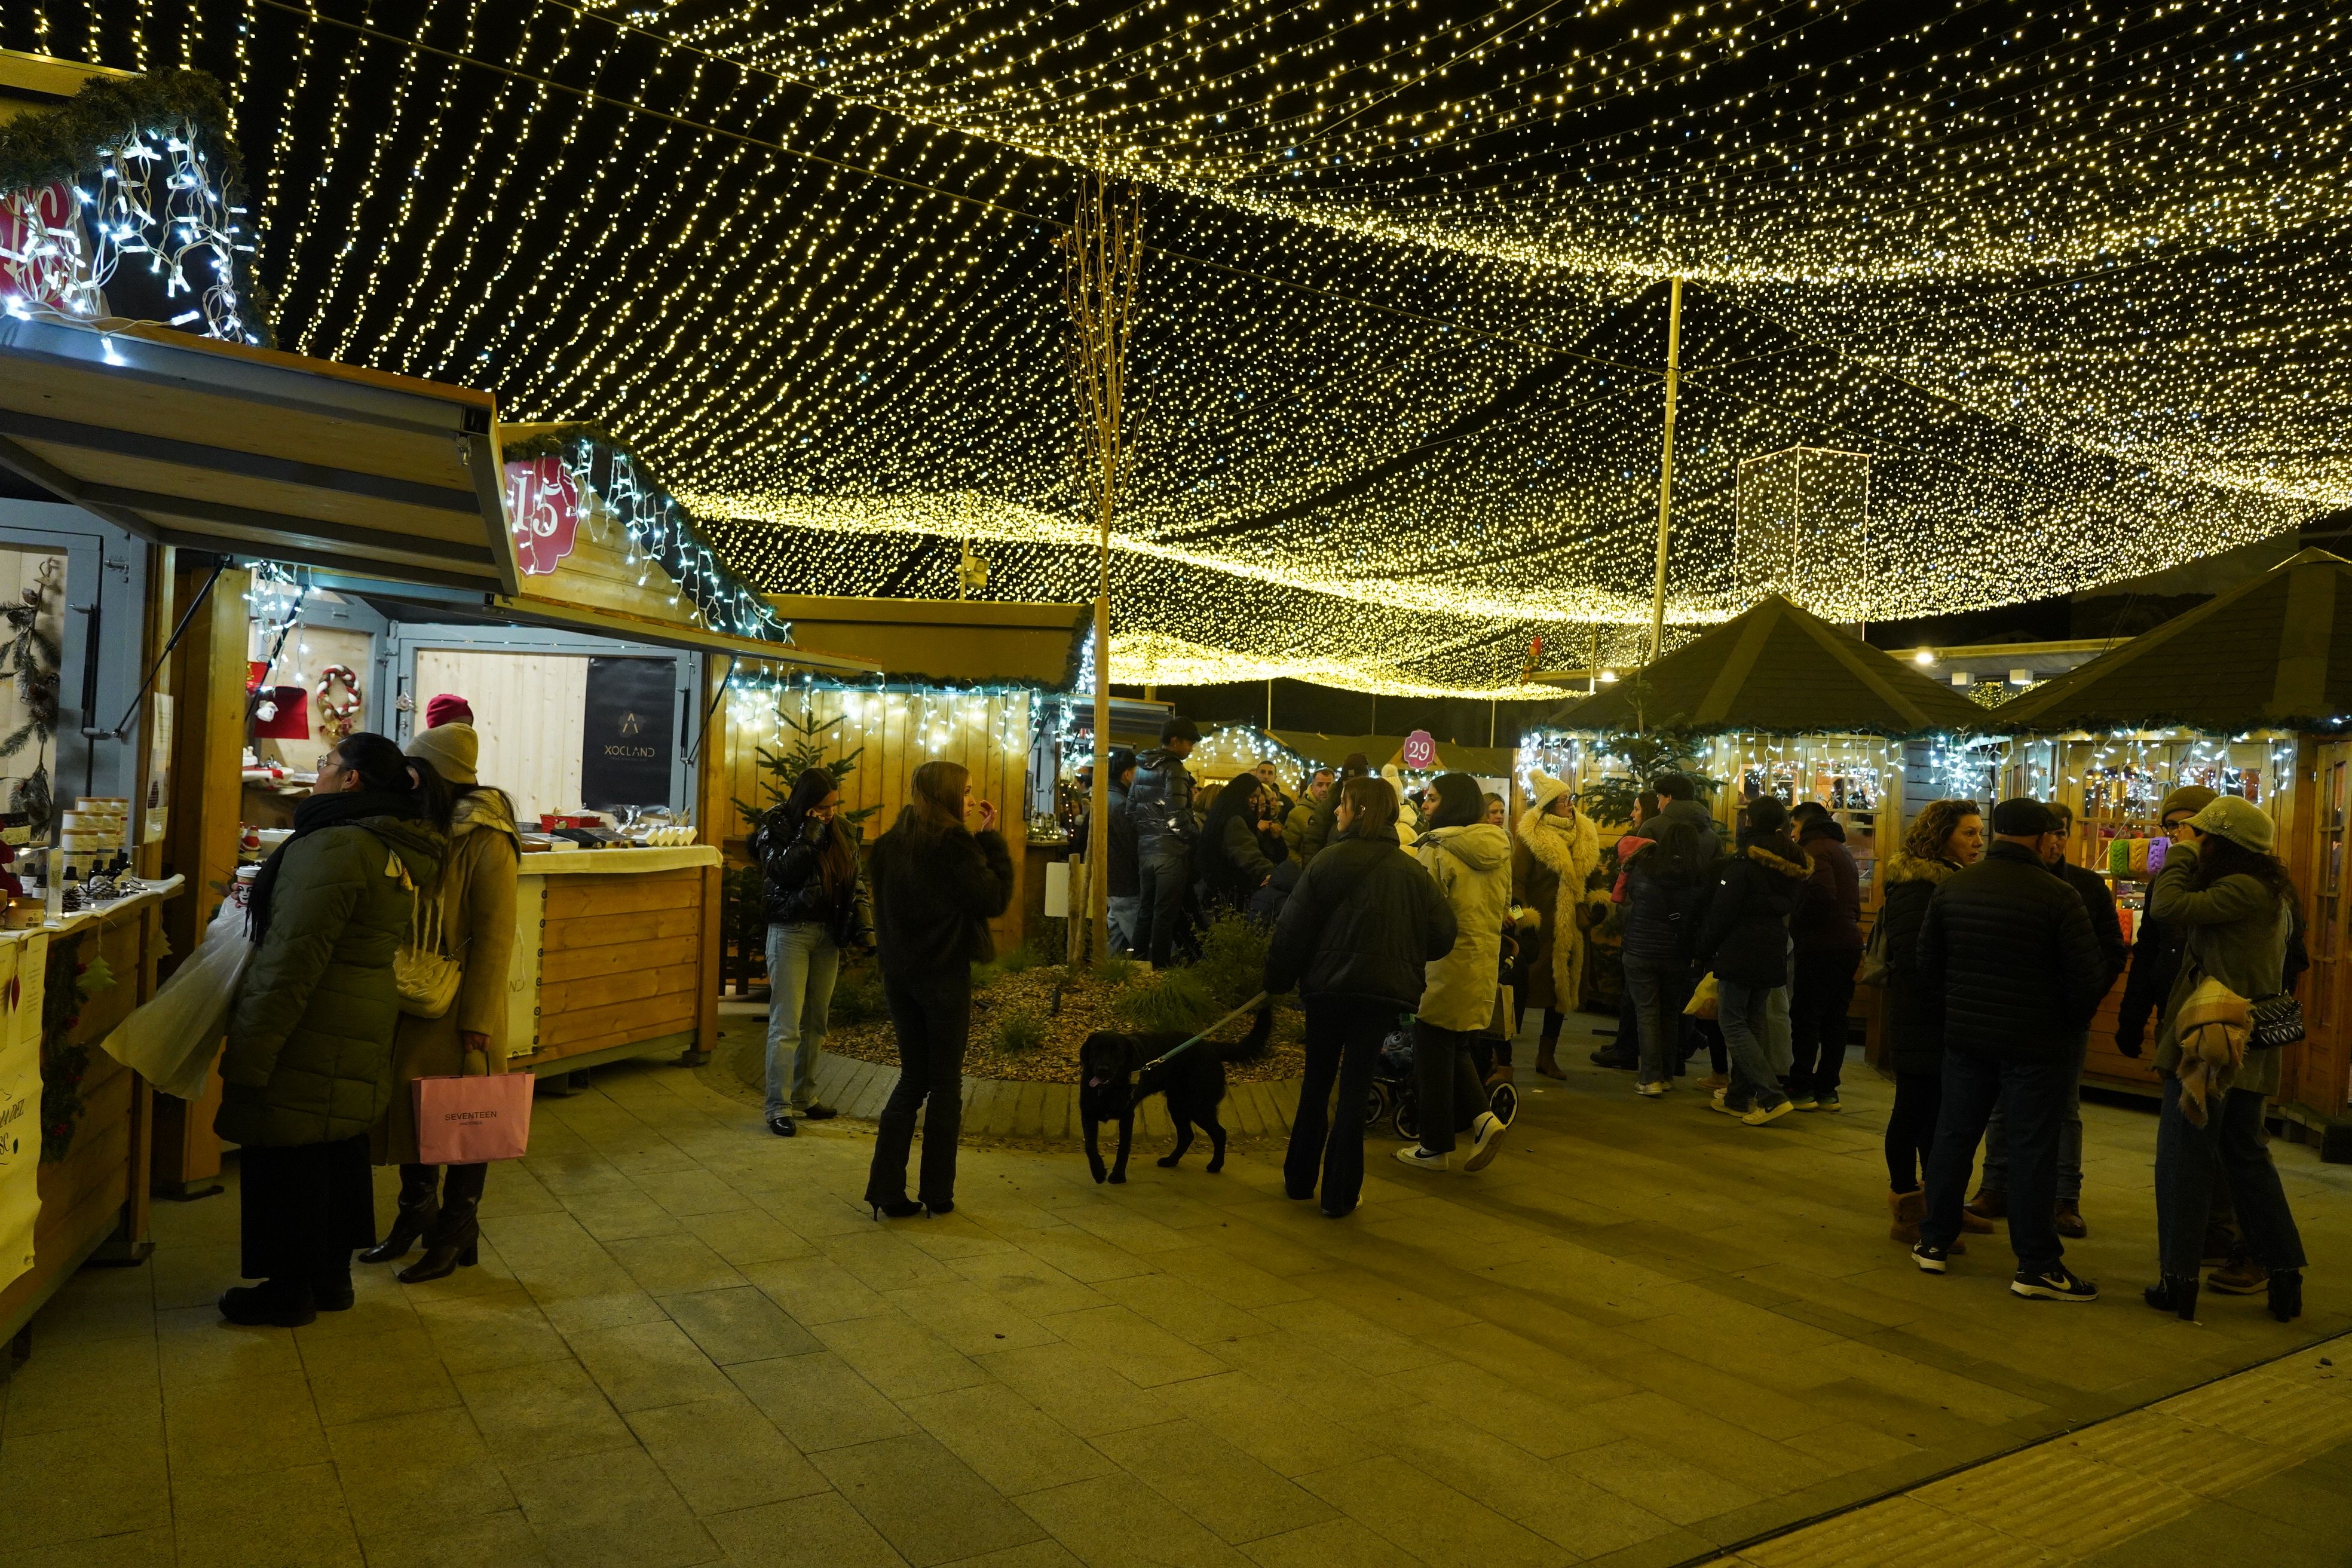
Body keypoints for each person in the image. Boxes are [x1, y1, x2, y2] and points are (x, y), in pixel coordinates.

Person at [217, 733, 448, 1327]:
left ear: (352, 780)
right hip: (359, 1009)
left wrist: (251, 1046)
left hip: (311, 1015)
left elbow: (293, 956)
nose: (316, 772)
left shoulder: (335, 845)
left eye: (326, 763)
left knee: (287, 1144)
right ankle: (330, 1276)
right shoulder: (385, 842)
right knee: (335, 1141)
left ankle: (286, 1288)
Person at [1912, 798, 2104, 1302]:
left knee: (1953, 1137)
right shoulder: (2058, 895)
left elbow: (1927, 963)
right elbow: (2087, 979)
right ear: (2043, 840)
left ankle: (1933, 1240)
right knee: (2032, 1151)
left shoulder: (1954, 887)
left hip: (1967, 1038)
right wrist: (2065, 1024)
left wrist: (1957, 1007)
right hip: (2035, 1044)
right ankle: (2036, 1263)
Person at [362, 723, 520, 1284]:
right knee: (416, 1112)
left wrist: (478, 1024)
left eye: (417, 768)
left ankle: (456, 1230)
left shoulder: (487, 838)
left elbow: (496, 936)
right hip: (416, 992)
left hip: (461, 1006)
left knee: (468, 1118)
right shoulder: (424, 828)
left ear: (437, 775)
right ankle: (415, 1217)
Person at [2142, 795, 2308, 1324]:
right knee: (2247, 1156)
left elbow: (2166, 907)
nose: (2193, 841)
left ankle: (2178, 1281)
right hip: (2247, 1038)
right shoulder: (2270, 890)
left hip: (2215, 1041)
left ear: (2222, 844)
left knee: (2184, 1158)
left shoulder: (2240, 888)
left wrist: (2179, 855)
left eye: (2201, 836)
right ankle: (2284, 1275)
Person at [1267, 777, 1456, 1217]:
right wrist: (1401, 953)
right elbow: (1444, 934)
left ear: (1361, 812)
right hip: (1380, 997)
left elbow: (1292, 930)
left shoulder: (1328, 862)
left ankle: (1299, 1180)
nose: (1336, 811)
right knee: (1354, 1090)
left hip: (1326, 992)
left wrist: (1276, 981)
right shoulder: (1412, 872)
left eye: (1344, 804)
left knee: (1316, 1083)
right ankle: (1340, 1194)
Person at [863, 762, 1014, 1218]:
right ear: (947, 796)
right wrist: (991, 840)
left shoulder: (890, 846)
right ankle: (938, 1194)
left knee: (912, 1079)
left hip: (900, 978)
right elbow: (994, 899)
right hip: (944, 978)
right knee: (945, 1083)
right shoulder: (954, 846)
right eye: (966, 793)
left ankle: (886, 1190)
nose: (971, 801)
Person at [1969, 798, 2124, 1238]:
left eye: (2062, 833)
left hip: (2065, 1015)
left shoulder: (2086, 886)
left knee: (2066, 1107)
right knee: (2000, 1103)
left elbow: (2111, 950)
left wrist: (2085, 999)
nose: (2055, 841)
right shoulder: (2007, 880)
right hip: (2008, 1010)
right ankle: (1995, 1185)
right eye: (2049, 833)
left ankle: (2063, 1197)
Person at [1878, 798, 1986, 1245]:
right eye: (1969, 833)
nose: (1978, 842)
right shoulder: (1917, 884)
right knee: (1915, 1109)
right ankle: (1908, 1205)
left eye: (1981, 833)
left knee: (1940, 1113)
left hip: (1943, 1014)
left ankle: (1941, 1202)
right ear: (1941, 836)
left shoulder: (1956, 881)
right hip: (1922, 1014)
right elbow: (1910, 957)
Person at [1397, 774, 1514, 1172]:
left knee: (1431, 1043)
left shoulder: (1438, 849)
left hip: (1442, 962)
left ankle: (1434, 1146)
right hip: (1480, 961)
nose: (1425, 805)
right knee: (1455, 1044)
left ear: (1449, 804)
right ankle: (1482, 1121)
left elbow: (1422, 911)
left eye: (1432, 798)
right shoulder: (1498, 848)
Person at [747, 765, 871, 1138]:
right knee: (786, 1024)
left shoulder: (844, 830)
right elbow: (782, 871)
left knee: (816, 1022)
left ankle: (804, 1096)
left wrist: (866, 929)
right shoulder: (777, 824)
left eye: (834, 805)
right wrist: (811, 832)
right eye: (822, 806)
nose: (830, 812)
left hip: (827, 935)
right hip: (791, 931)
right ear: (805, 803)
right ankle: (778, 1106)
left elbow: (856, 881)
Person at [1693, 797, 1808, 1125]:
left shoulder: (1744, 864)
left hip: (1740, 949)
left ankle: (1772, 1096)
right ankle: (1738, 1097)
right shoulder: (1792, 867)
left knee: (1732, 1022)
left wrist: (1702, 947)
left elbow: (1722, 913)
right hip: (1772, 947)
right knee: (1753, 1020)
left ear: (1751, 824)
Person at [1616, 808, 1716, 1095]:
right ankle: (1667, 1075)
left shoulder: (1644, 868)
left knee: (1646, 1012)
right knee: (1670, 1015)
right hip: (1677, 954)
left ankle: (1650, 1079)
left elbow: (1630, 903)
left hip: (1639, 950)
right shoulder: (1698, 878)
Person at [1512, 772, 1599, 1079]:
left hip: (1571, 929)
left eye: (1571, 799)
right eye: (1564, 801)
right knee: (1520, 992)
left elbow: (1591, 880)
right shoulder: (1529, 837)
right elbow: (1515, 884)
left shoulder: (1584, 833)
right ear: (1549, 806)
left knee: (1560, 995)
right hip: (1539, 929)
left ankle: (1546, 1056)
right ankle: (1502, 1058)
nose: (1571, 806)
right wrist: (1522, 920)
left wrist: (1596, 904)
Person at [1787, 801, 1863, 1112]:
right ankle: (1828, 1088)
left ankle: (1802, 1087)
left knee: (1806, 1018)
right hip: (1848, 943)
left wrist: (1798, 925)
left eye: (1793, 827)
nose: (1791, 834)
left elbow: (1821, 893)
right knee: (1835, 1019)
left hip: (1822, 945)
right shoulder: (1840, 849)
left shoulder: (1814, 849)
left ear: (1804, 824)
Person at [1129, 717, 1202, 966]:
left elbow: (1131, 811)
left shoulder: (1140, 769)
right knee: (1164, 916)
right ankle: (1160, 971)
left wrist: (1146, 835)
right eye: (1189, 743)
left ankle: (1137, 966)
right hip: (1170, 853)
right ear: (1175, 741)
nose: (1191, 748)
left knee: (1145, 911)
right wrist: (1196, 838)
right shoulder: (1175, 770)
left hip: (1146, 851)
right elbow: (1177, 819)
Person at [1199, 774, 1279, 912]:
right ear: (1240, 795)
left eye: (1257, 797)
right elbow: (1246, 851)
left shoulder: (1221, 814)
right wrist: (1268, 872)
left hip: (1217, 887)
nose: (1255, 801)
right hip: (1231, 890)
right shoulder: (1235, 821)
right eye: (1251, 796)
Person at [1105, 749, 1142, 955]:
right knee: (1141, 939)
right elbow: (1130, 845)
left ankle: (1105, 975)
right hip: (1125, 880)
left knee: (1116, 937)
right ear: (1127, 774)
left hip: (1113, 878)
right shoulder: (1120, 803)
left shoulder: (1108, 798)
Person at [1284, 768, 1337, 864]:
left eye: (1329, 785)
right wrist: (1305, 868)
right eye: (1320, 785)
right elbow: (1288, 849)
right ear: (1312, 787)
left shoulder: (1338, 812)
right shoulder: (1298, 813)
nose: (1325, 789)